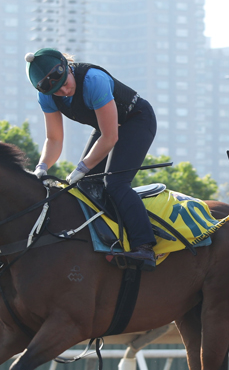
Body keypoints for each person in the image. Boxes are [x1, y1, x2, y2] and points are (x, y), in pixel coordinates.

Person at [26, 49, 158, 270]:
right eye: (58, 92)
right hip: (107, 126)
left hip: (136, 120)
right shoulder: (47, 96)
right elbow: (54, 139)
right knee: (85, 186)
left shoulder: (93, 80)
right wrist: (41, 167)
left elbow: (110, 137)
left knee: (115, 184)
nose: (65, 91)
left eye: (66, 83)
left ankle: (144, 246)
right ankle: (109, 239)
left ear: (68, 68)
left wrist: (81, 167)